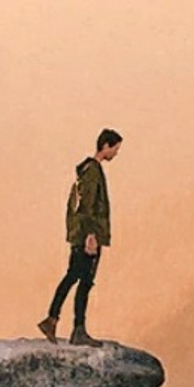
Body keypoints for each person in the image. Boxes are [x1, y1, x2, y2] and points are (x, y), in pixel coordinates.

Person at [38, 130, 122, 344]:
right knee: (84, 280)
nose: (115, 153)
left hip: (81, 234)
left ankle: (54, 319)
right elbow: (88, 207)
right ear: (105, 145)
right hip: (87, 235)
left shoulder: (85, 171)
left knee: (74, 276)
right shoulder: (93, 171)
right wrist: (91, 235)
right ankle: (76, 328)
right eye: (114, 148)